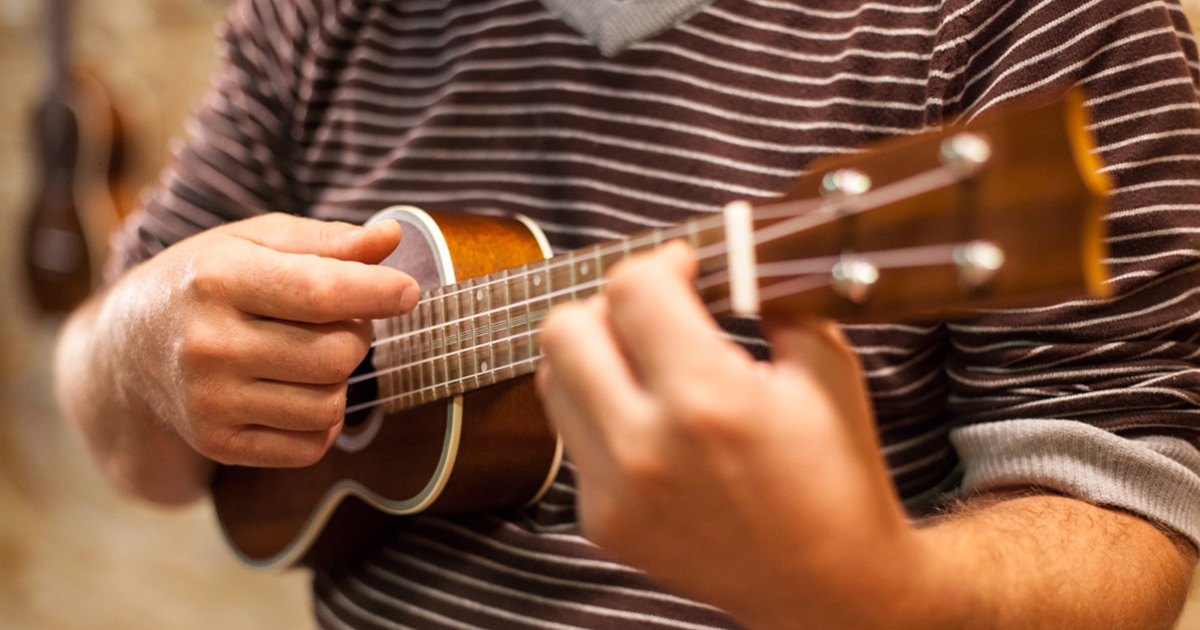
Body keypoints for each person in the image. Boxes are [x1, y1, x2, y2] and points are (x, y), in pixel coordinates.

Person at [54, 0, 1200, 627]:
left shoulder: (1047, 20)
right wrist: (134, 335)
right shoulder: (319, 19)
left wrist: (877, 597)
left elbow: (1124, 514)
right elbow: (135, 448)